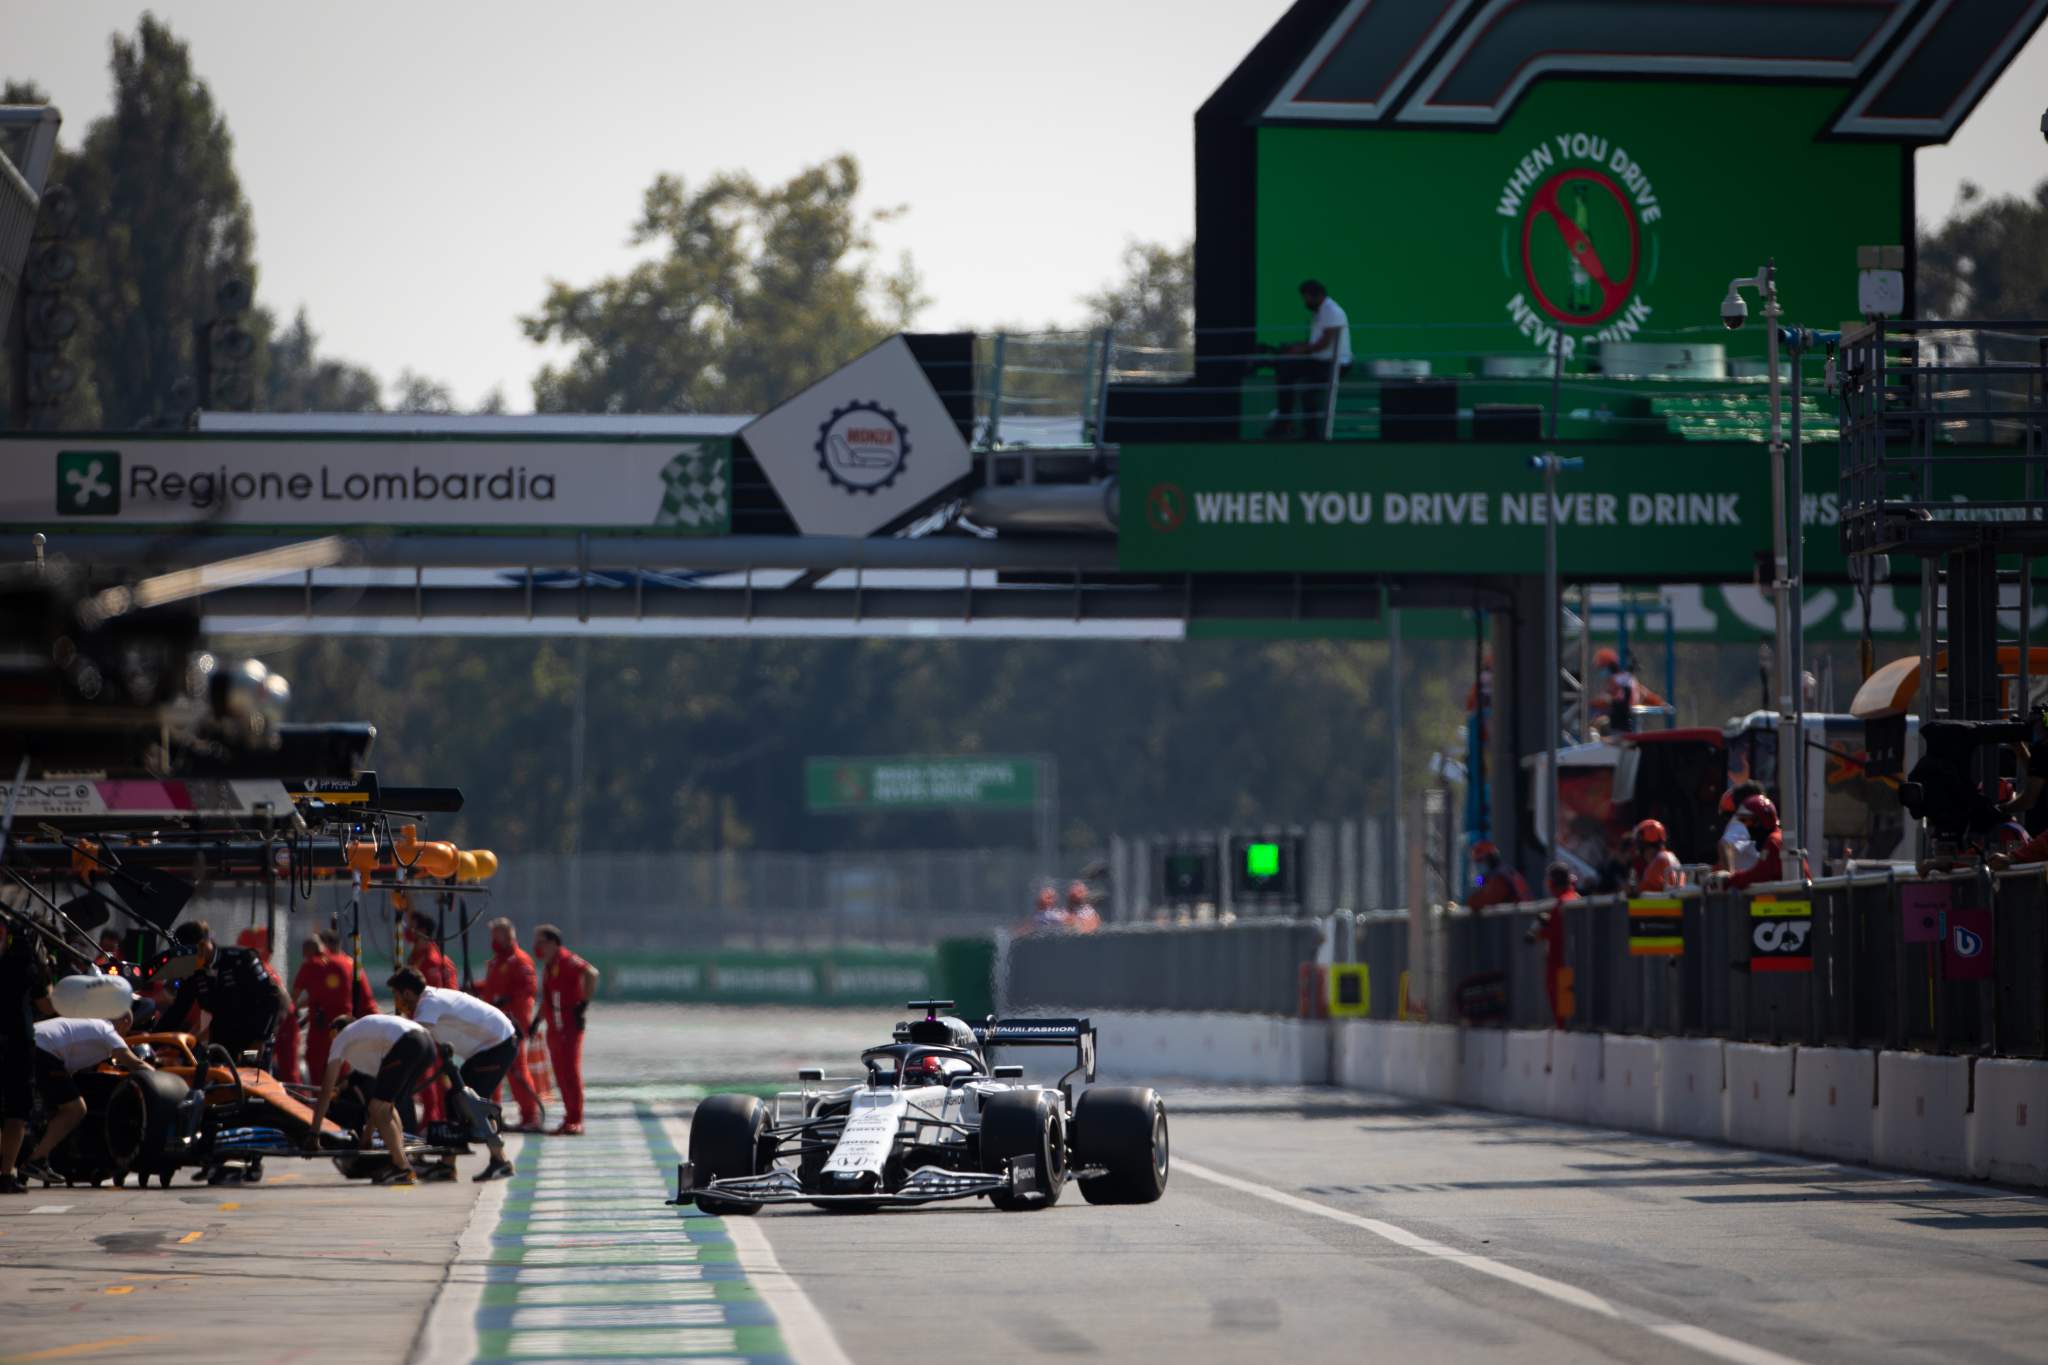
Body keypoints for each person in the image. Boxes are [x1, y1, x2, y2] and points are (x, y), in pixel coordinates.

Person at [387, 968, 517, 1181]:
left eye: (397, 995)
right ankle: (448, 1166)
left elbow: (416, 1041)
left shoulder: (429, 1004)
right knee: (455, 1100)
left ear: (408, 993)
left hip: (498, 1045)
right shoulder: (429, 999)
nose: (397, 1001)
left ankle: (500, 1161)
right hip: (488, 1048)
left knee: (471, 1104)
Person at [16, 1010, 151, 1185]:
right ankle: (36, 1160)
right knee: (76, 1110)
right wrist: (164, 1081)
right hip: (42, 1049)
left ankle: (23, 1160)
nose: (125, 1035)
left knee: (25, 1111)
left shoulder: (88, 1024)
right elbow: (135, 1063)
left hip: (26, 1042)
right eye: (127, 1029)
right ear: (124, 1021)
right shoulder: (107, 1030)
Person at [304, 1010, 435, 1186]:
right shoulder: (371, 1044)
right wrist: (366, 1136)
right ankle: (399, 1162)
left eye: (332, 1034)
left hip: (409, 1043)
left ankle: (403, 1168)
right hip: (427, 1044)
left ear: (338, 1030)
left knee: (379, 1106)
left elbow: (326, 1090)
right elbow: (383, 1103)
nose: (332, 1040)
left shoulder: (343, 1036)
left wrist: (314, 1133)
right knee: (385, 1105)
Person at [159, 920, 290, 1066]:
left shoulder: (241, 959)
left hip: (252, 1043)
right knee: (214, 1082)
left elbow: (272, 997)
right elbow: (178, 1009)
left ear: (202, 946)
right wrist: (154, 1039)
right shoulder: (195, 974)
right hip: (221, 1045)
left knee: (250, 1080)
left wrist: (260, 1039)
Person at [0, 919, 53, 1195]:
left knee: (16, 1110)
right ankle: (5, 1172)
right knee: (16, 1109)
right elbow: (46, 1003)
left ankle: (6, 1171)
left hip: (18, 1040)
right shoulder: (25, 961)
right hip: (18, 1038)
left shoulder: (23, 960)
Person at [477, 918, 543, 1132]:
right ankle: (493, 1114)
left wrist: (506, 999)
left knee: (516, 1072)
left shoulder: (520, 960)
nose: (493, 940)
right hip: (493, 1023)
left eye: (497, 935)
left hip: (513, 1025)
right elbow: (491, 987)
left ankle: (530, 1116)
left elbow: (528, 989)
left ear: (508, 936)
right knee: (492, 1071)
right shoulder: (496, 962)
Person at [1268, 279, 1352, 438]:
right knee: (1285, 372)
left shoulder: (1332, 311)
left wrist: (1300, 350)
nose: (1305, 302)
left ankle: (1311, 433)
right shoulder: (1321, 311)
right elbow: (1316, 342)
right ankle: (1284, 421)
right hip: (1320, 360)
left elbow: (1324, 343)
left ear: (1317, 296)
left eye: (1306, 298)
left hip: (1335, 364)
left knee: (1308, 391)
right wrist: (1295, 347)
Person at [534, 925, 597, 1136]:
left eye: (541, 941)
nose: (538, 946)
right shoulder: (548, 967)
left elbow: (591, 973)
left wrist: (583, 1003)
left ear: (553, 943)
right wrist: (536, 1021)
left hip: (570, 1026)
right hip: (554, 1028)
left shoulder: (567, 960)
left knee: (571, 1072)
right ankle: (568, 1117)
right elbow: (548, 1000)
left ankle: (576, 1119)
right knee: (560, 1075)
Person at [294, 929, 374, 1087]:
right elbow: (365, 999)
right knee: (341, 1072)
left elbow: (295, 998)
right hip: (345, 1028)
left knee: (317, 1075)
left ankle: (319, 1107)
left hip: (320, 1030)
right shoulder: (350, 965)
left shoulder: (312, 965)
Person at [236, 927, 301, 1086]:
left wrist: (268, 1032)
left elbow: (280, 1001)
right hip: (276, 1026)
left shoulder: (258, 967)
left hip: (280, 1026)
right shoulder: (261, 966)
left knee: (285, 1073)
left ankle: (295, 1106)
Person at [1712, 795, 1808, 890]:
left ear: (1762, 821)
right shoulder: (1778, 838)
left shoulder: (1773, 841)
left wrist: (1729, 880)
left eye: (1747, 821)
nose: (1745, 826)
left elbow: (1759, 875)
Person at [1525, 863, 1579, 1029]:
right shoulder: (1575, 899)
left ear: (1551, 883)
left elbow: (1551, 933)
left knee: (1564, 1017)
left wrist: (1538, 931)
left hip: (1561, 969)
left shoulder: (1563, 904)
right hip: (1573, 966)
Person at [1716, 782, 1766, 874]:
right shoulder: (1741, 823)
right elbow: (1725, 844)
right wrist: (1730, 877)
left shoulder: (1746, 823)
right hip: (1750, 885)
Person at [1466, 841, 1531, 908]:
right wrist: (1478, 883)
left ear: (1490, 859)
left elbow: (1480, 901)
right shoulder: (1507, 871)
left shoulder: (1500, 877)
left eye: (1480, 861)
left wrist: (1478, 884)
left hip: (1515, 917)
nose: (1478, 866)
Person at [1631, 819, 1685, 894]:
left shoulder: (1659, 861)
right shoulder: (1670, 856)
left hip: (1667, 905)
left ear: (1644, 846)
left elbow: (1639, 891)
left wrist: (1630, 889)